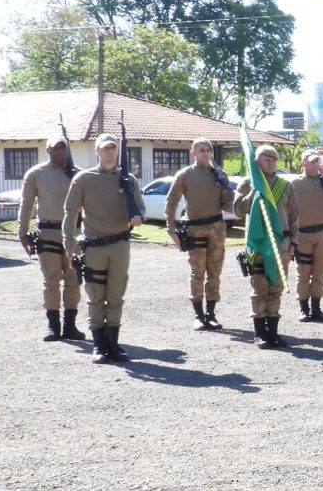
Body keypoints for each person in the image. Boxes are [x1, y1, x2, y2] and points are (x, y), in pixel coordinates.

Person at [63, 133, 145, 363]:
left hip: (120, 245)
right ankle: (99, 345)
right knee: (95, 296)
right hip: (93, 246)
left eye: (113, 148)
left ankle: (114, 344)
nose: (110, 151)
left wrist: (138, 217)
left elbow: (141, 208)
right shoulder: (83, 179)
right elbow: (71, 212)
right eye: (105, 148)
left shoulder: (128, 179)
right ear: (97, 151)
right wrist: (69, 242)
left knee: (116, 295)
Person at [17, 134, 86, 341]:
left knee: (73, 280)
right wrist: (22, 232)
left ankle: (70, 325)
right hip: (48, 233)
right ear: (49, 150)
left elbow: (91, 205)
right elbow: (26, 204)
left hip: (73, 234)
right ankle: (53, 326)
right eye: (57, 148)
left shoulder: (80, 175)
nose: (61, 151)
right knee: (51, 280)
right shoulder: (36, 174)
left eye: (64, 148)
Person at [165, 137, 235, 330]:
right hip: (194, 228)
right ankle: (199, 315)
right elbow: (171, 201)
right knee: (197, 272)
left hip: (216, 228)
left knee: (215, 272)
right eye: (202, 150)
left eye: (208, 150)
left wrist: (232, 196)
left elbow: (228, 203)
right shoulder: (185, 175)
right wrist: (171, 228)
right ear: (193, 153)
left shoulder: (219, 174)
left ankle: (211, 314)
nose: (206, 153)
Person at [233, 145, 299, 349]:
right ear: (257, 162)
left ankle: (274, 332)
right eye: (266, 159)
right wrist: (252, 194)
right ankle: (260, 333)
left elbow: (294, 216)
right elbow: (236, 210)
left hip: (281, 243)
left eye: (274, 160)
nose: (271, 163)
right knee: (259, 287)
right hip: (257, 244)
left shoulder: (285, 186)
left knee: (276, 287)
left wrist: (294, 242)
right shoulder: (248, 183)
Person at [291, 149, 323, 322]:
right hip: (302, 234)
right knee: (303, 272)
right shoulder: (294, 183)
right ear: (303, 162)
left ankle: (316, 307)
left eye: (317, 161)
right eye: (311, 161)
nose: (315, 164)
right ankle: (304, 308)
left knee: (319, 272)